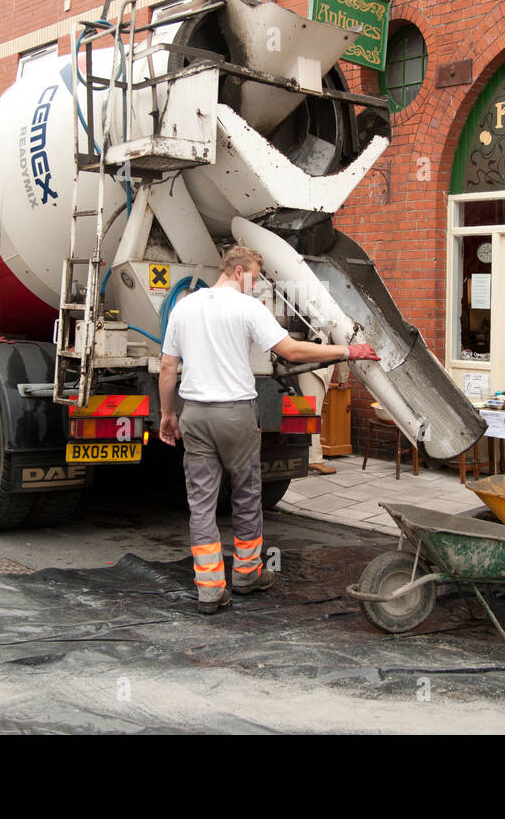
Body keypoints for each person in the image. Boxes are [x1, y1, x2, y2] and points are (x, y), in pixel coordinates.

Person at [159, 245, 380, 614]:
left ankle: (210, 589)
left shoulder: (184, 307)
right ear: (239, 270)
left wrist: (168, 414)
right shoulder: (247, 309)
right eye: (256, 277)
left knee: (201, 504)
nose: (256, 284)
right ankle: (246, 575)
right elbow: (292, 351)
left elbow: (168, 369)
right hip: (235, 414)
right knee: (246, 494)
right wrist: (347, 352)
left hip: (194, 414)